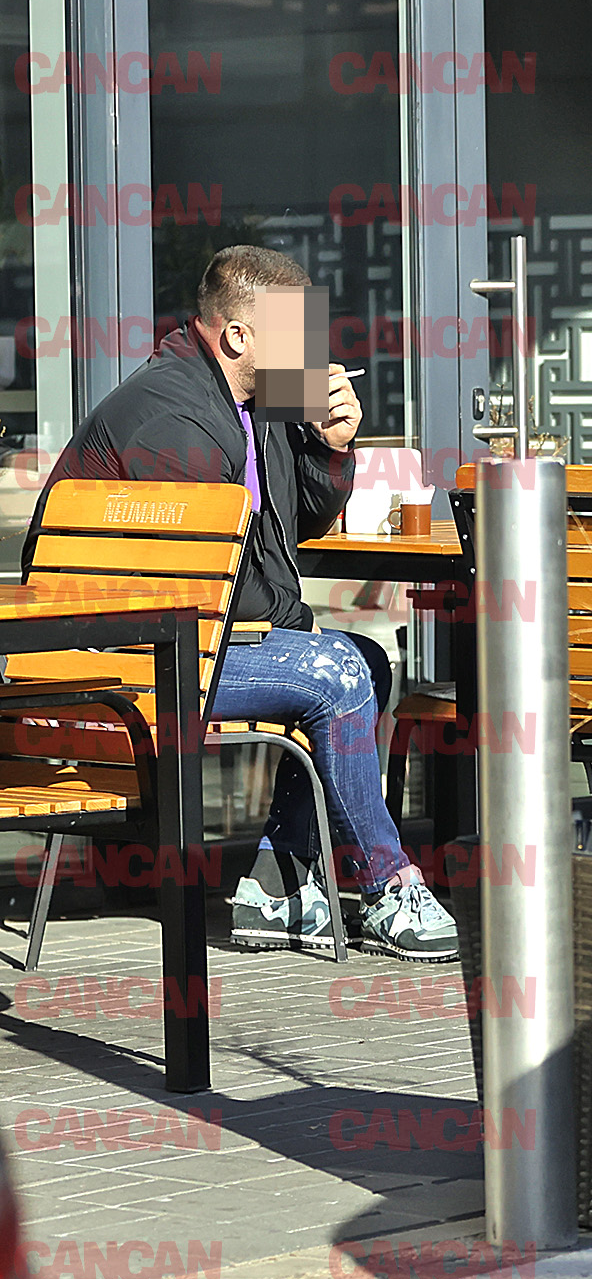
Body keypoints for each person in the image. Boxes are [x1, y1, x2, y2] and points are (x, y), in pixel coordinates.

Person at [23, 245, 458, 962]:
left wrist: (330, 447)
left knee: (363, 663)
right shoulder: (175, 418)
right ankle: (386, 883)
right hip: (130, 656)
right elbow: (206, 586)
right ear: (236, 336)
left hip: (195, 641)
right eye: (298, 334)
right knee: (338, 672)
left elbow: (298, 525)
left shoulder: (257, 402)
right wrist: (307, 643)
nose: (313, 353)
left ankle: (275, 890)